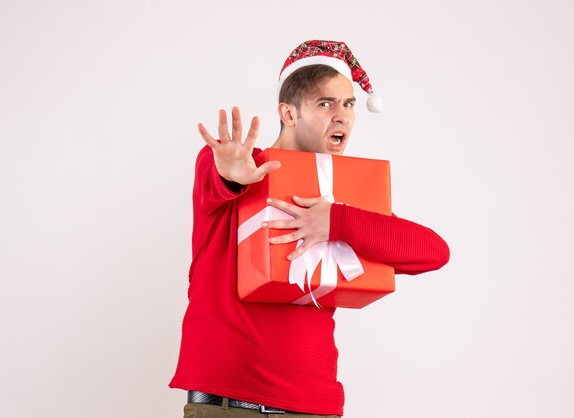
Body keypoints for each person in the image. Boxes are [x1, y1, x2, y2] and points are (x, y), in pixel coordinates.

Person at [170, 40, 450, 417]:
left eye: (349, 104)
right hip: (229, 405)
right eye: (326, 103)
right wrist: (232, 176)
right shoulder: (233, 163)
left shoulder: (339, 202)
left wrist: (337, 221)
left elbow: (432, 252)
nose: (343, 116)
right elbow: (216, 176)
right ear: (288, 112)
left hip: (315, 405)